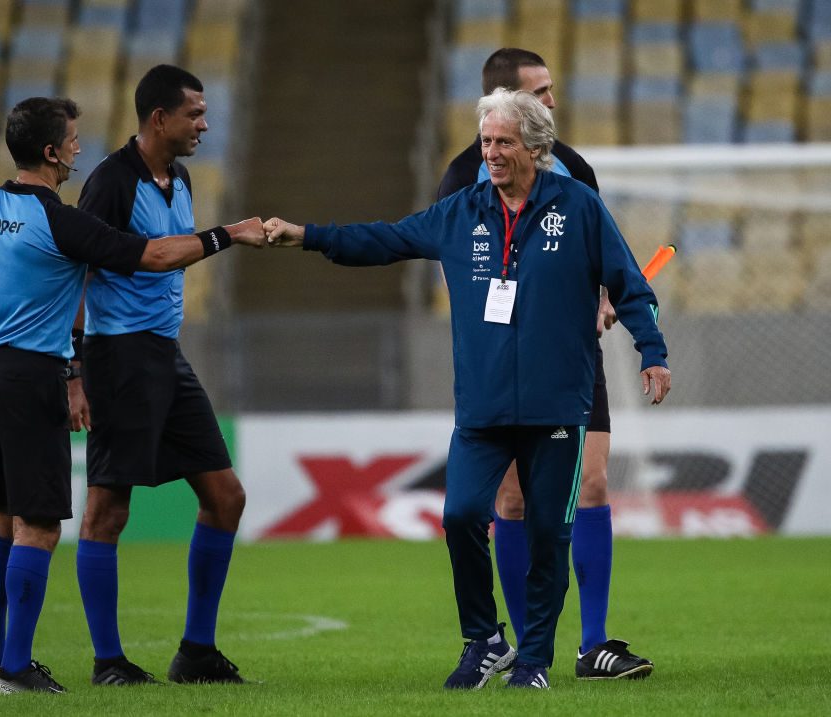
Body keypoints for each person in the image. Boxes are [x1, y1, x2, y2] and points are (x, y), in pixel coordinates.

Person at [264, 88, 670, 690]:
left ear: (535, 147)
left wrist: (652, 352)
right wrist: (307, 235)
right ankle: (484, 640)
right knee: (459, 517)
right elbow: (385, 240)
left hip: (558, 405)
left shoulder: (580, 207)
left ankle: (533, 662)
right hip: (482, 408)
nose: (492, 153)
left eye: (504, 142)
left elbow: (630, 284)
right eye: (486, 142)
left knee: (549, 537)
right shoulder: (460, 212)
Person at [0, 96, 265, 694]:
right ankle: (16, 668)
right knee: (39, 527)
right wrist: (228, 235)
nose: (80, 148)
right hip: (30, 379)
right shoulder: (60, 221)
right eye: (73, 140)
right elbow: (153, 256)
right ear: (52, 153)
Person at [438, 48, 652, 681]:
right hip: (505, 367)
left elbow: (599, 251)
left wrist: (603, 298)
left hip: (570, 360)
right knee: (509, 500)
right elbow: (465, 278)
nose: (554, 102)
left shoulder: (574, 167)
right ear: (506, 100)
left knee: (594, 484)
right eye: (541, 92)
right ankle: (521, 647)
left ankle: (593, 646)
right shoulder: (460, 180)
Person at [66, 65, 248, 686]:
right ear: (158, 118)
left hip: (165, 355)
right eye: (194, 113)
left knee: (225, 498)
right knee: (107, 509)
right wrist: (74, 371)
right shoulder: (111, 183)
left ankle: (196, 652)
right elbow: (78, 275)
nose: (204, 124)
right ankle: (107, 661)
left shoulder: (181, 178)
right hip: (116, 359)